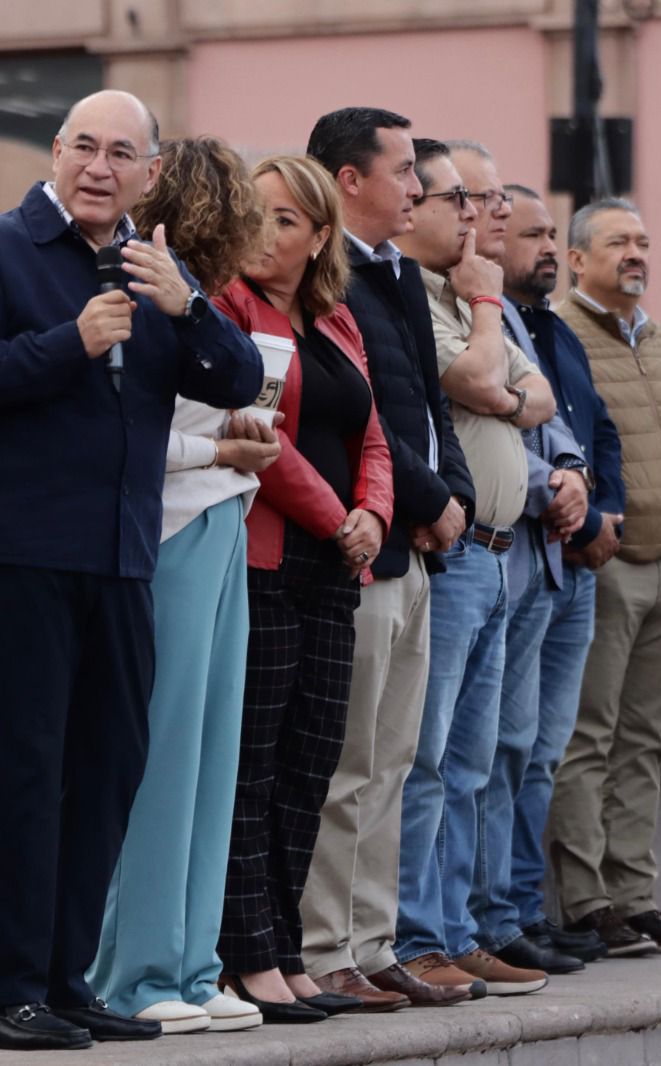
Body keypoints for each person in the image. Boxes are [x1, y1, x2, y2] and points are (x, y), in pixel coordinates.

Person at [0, 89, 261, 1052]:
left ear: (151, 175)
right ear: (57, 153)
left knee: (106, 774)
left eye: (122, 154)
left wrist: (187, 307)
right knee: (26, 777)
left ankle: (67, 983)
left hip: (118, 561)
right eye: (84, 147)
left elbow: (235, 380)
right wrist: (70, 344)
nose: (99, 168)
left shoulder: (156, 270)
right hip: (16, 556)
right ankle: (4, 993)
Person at [87, 135, 275, 1037]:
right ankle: (139, 969)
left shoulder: (200, 305)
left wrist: (235, 443)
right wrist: (221, 446)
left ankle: (193, 965)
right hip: (170, 526)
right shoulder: (144, 295)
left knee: (210, 757)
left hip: (222, 518)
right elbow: (122, 436)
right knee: (164, 757)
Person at [300, 107, 476, 1011]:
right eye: (404, 170)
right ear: (349, 180)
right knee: (349, 761)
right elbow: (357, 415)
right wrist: (425, 503)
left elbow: (429, 416)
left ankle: (374, 942)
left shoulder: (399, 273)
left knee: (396, 760)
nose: (418, 186)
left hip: (419, 556)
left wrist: (460, 503)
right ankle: (326, 944)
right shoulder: (325, 283)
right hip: (365, 550)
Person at [214, 154, 394, 1023]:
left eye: (286, 219)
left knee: (311, 764)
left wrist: (376, 518)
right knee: (253, 763)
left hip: (337, 570)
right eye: (254, 213)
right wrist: (337, 521)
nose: (264, 231)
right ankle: (247, 955)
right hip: (267, 560)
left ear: (321, 235)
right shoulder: (230, 311)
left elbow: (374, 437)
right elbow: (262, 437)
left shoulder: (336, 321)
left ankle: (286, 946)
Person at [391, 139, 555, 998]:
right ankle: (419, 934)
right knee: (426, 760)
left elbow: (536, 397)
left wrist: (496, 380)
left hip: (502, 557)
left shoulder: (466, 294)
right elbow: (480, 377)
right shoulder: (431, 296)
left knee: (474, 763)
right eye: (456, 198)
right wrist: (487, 310)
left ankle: (454, 930)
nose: (469, 214)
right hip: (451, 557)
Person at [549, 197, 661, 956]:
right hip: (609, 563)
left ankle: (637, 896)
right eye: (619, 241)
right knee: (590, 735)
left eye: (644, 241)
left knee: (645, 738)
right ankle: (589, 903)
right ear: (578, 258)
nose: (636, 254)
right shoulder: (561, 336)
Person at [444, 143, 592, 980]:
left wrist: (570, 476)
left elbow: (539, 404)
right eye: (480, 197)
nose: (490, 213)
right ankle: (459, 924)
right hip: (474, 546)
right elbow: (479, 388)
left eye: (501, 199)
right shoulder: (457, 301)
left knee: (510, 749)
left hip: (532, 557)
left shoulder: (527, 316)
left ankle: (496, 915)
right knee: (455, 759)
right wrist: (544, 480)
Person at [496, 184, 623, 964]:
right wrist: (562, 500)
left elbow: (595, 431)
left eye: (552, 233)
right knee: (501, 747)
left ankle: (520, 907)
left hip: (576, 562)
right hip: (523, 551)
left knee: (542, 749)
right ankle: (498, 915)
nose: (547, 247)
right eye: (532, 234)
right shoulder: (506, 328)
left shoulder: (556, 331)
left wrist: (605, 508)